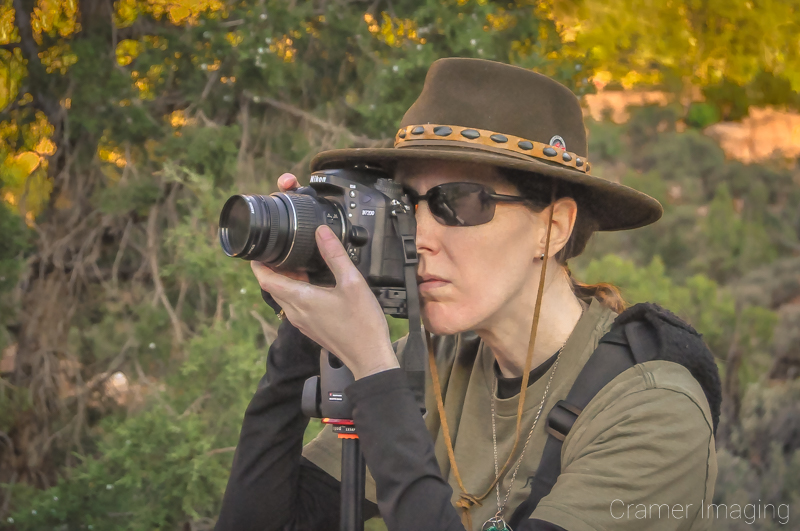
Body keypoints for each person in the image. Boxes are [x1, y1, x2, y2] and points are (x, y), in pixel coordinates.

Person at [215, 58, 718, 531]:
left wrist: (375, 375)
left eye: (456, 202)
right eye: (406, 205)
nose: (421, 235)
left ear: (554, 227)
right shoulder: (433, 369)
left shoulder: (654, 415)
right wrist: (302, 326)